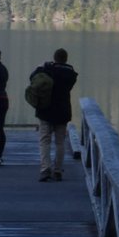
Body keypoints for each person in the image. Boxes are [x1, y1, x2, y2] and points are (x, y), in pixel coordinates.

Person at [27, 47, 79, 181]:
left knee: (45, 141)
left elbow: (33, 78)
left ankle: (45, 169)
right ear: (66, 59)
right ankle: (57, 170)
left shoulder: (48, 69)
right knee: (60, 142)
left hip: (46, 110)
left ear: (54, 58)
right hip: (63, 111)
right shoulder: (71, 74)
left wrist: (40, 67)